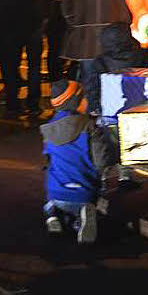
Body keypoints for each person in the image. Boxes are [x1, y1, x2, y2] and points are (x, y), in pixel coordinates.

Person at [62, 0, 133, 114]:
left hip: (87, 41)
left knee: (92, 87)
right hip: (118, 38)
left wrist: (78, 24)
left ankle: (95, 127)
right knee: (118, 88)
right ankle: (114, 129)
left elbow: (67, 3)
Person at [41, 79, 111, 244]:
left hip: (55, 192)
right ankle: (81, 218)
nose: (87, 100)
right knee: (92, 187)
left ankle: (53, 215)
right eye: (84, 97)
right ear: (75, 102)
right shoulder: (89, 126)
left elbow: (48, 158)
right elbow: (102, 161)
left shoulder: (48, 129)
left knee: (54, 175)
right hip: (84, 192)